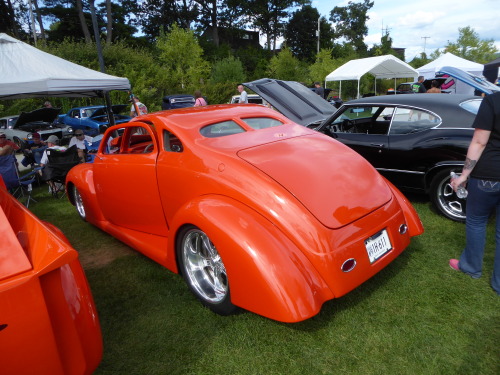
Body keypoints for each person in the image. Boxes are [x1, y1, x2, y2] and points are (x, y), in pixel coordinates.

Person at [449, 91, 500, 296]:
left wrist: (463, 176)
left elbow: (479, 142)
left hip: (488, 174)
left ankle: (471, 267)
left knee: (476, 221)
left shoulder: (493, 100)